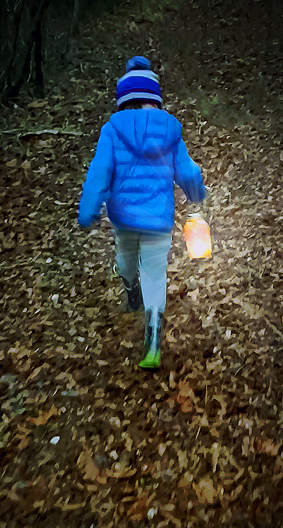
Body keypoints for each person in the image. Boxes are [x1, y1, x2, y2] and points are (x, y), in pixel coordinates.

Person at [78, 56, 207, 370]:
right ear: (156, 97)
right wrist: (196, 194)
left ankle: (130, 292)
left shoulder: (112, 129)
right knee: (154, 273)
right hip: (158, 219)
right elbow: (187, 170)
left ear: (123, 98)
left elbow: (99, 172)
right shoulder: (169, 129)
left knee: (125, 260)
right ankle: (152, 334)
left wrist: (89, 209)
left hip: (123, 219)